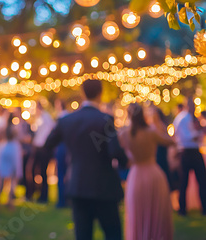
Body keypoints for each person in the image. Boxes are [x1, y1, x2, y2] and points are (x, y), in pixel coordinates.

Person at [43, 79, 127, 240]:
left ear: (82, 93)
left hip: (78, 185)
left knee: (83, 235)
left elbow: (47, 144)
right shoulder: (105, 119)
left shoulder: (66, 120)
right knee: (113, 234)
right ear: (100, 93)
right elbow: (115, 151)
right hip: (104, 186)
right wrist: (126, 162)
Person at [119, 103, 174, 240]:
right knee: (156, 211)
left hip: (136, 176)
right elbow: (170, 141)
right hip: (153, 174)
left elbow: (117, 151)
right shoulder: (151, 132)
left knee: (137, 211)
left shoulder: (125, 134)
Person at [173, 97, 206, 216]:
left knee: (202, 181)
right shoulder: (182, 118)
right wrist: (198, 134)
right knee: (183, 182)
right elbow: (186, 136)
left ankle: (204, 207)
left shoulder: (194, 118)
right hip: (186, 152)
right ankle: (182, 209)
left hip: (196, 151)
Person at [28, 102, 55, 203]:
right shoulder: (38, 119)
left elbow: (51, 129)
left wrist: (46, 143)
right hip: (37, 147)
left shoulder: (46, 117)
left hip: (43, 148)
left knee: (43, 172)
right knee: (33, 171)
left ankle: (43, 196)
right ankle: (36, 193)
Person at [0, 114, 22, 210]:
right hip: (13, 150)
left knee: (0, 177)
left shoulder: (3, 128)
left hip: (4, 149)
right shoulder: (15, 128)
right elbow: (20, 137)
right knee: (12, 177)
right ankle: (10, 202)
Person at [54, 99, 69, 208]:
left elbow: (54, 136)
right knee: (67, 174)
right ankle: (66, 199)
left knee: (61, 173)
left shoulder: (61, 118)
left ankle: (62, 201)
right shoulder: (68, 117)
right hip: (67, 148)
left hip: (62, 147)